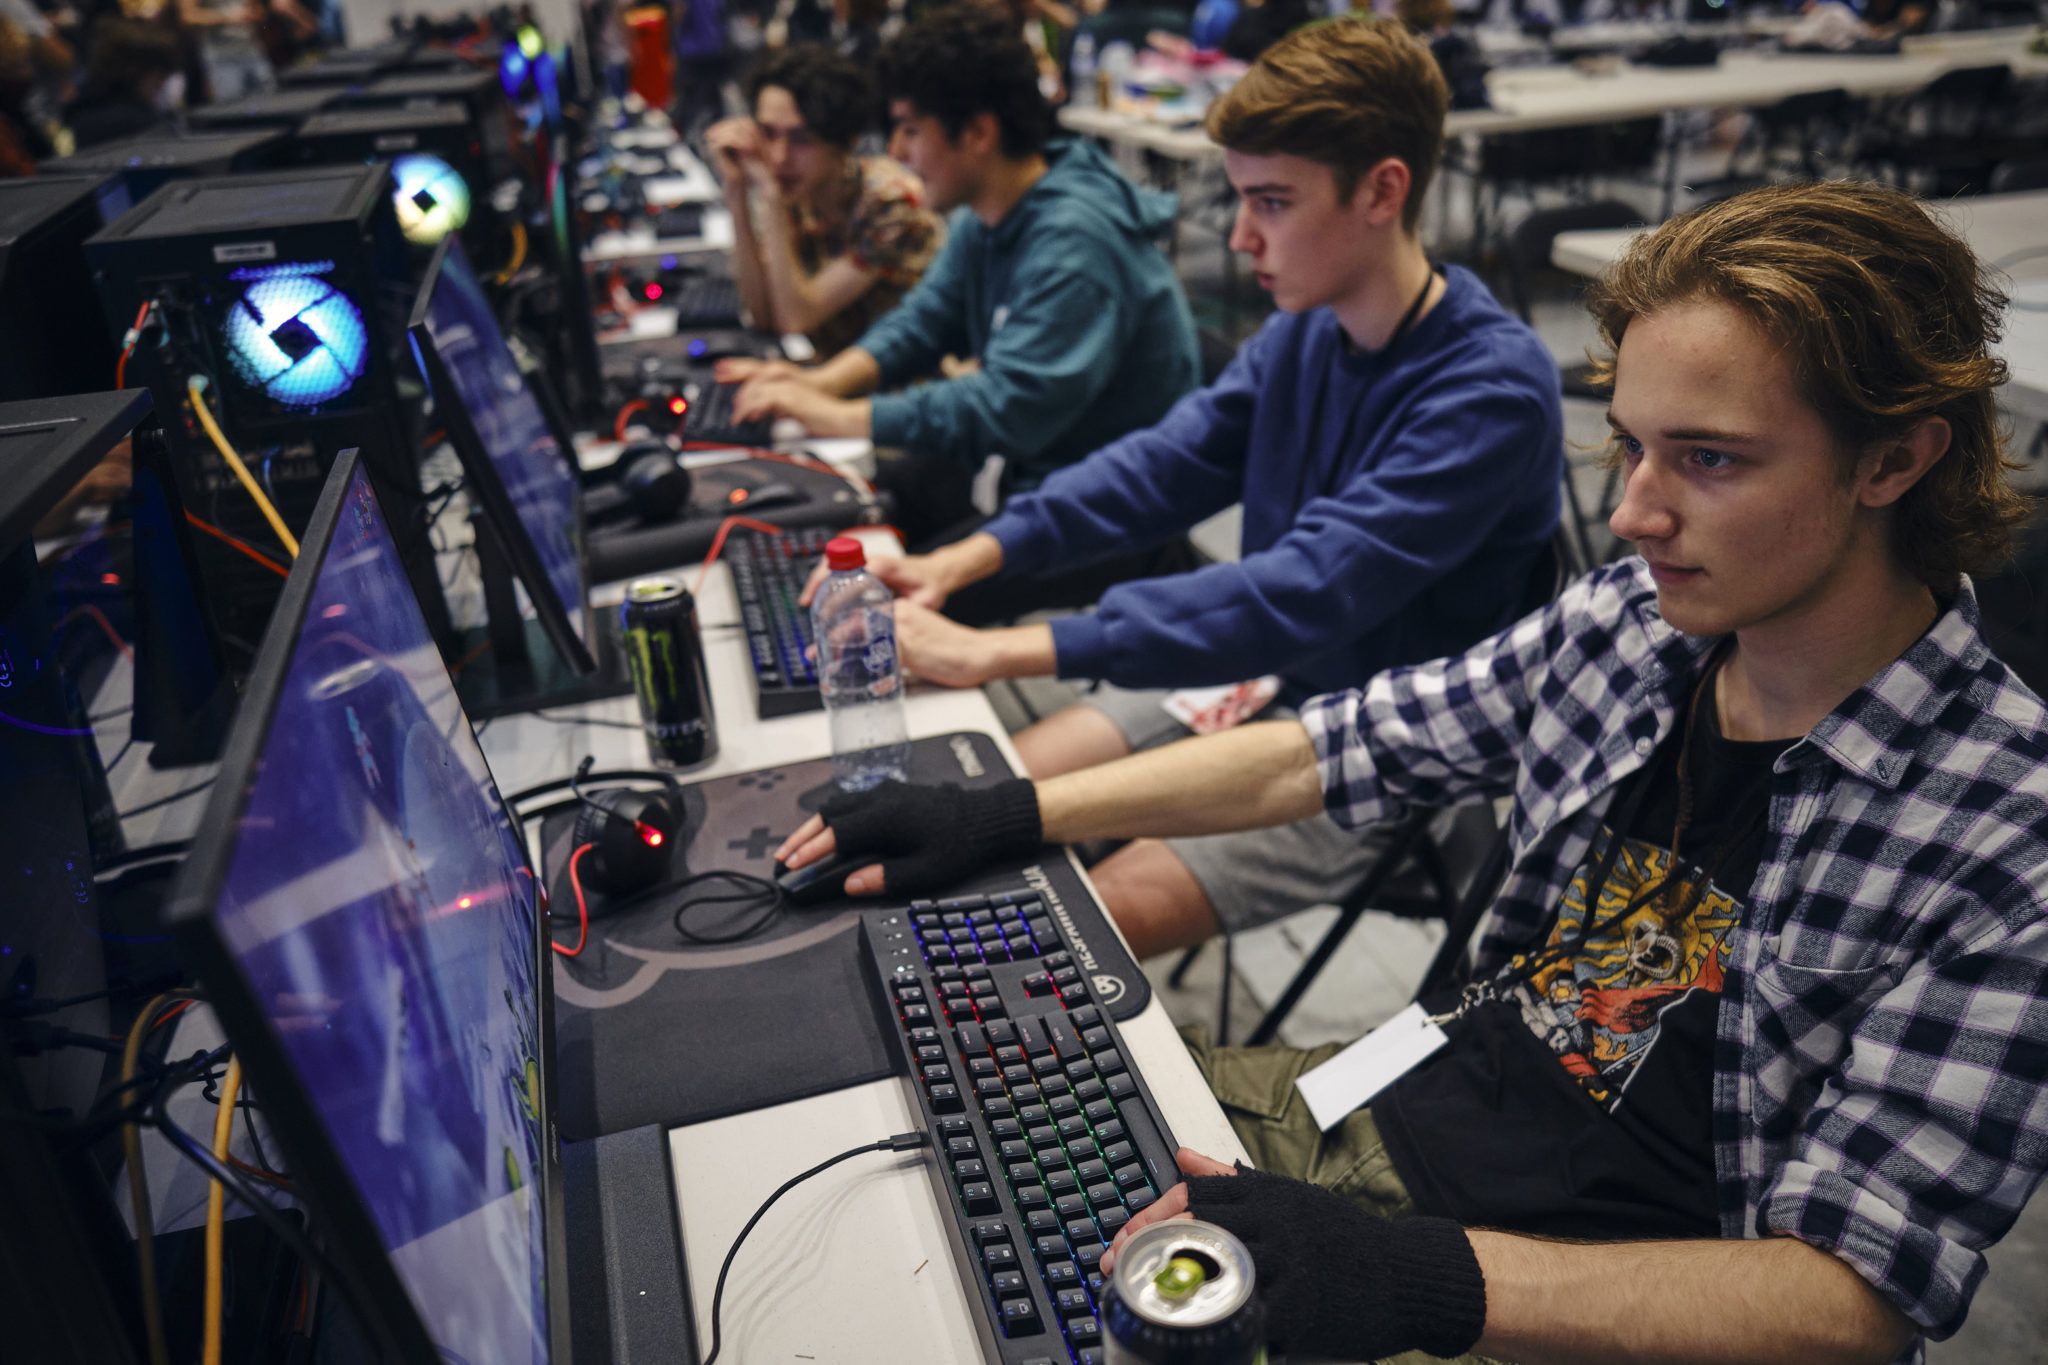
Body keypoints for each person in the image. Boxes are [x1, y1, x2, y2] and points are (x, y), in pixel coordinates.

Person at [773, 180, 2048, 1363]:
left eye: (1707, 459)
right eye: (1629, 447)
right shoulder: (1636, 623)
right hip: (1391, 1105)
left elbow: (1850, 1299)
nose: (1630, 514)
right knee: (941, 1123)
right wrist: (1004, 810)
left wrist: (1411, 1278)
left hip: (1572, 1297)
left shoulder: (2001, 844)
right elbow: (1340, 746)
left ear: (1892, 461)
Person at [831, 17, 1563, 960]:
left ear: (1384, 191)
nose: (1241, 236)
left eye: (1272, 202)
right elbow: (1163, 466)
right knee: (975, 796)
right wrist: (961, 561)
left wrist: (995, 651)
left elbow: (1301, 589)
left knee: (1049, 935)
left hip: (1377, 745)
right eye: (1239, 197)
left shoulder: (1489, 392)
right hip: (1261, 676)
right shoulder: (1309, 326)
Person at [720, 2, 1201, 548]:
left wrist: (835, 415)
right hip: (1035, 472)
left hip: (1108, 514)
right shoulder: (991, 211)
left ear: (977, 132)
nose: (898, 152)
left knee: (879, 571)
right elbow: (924, 323)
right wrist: (814, 384)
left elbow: (1004, 409)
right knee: (826, 514)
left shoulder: (1075, 244)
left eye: (910, 129)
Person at [706, 44, 944, 361]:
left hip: (896, 381)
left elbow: (794, 320)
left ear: (846, 142)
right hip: (829, 372)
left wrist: (772, 199)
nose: (779, 157)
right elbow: (761, 314)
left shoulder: (892, 204)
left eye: (801, 139)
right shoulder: (799, 191)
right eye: (769, 134)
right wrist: (736, 192)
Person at [65, 16, 182, 148]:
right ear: (135, 71)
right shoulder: (143, 123)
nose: (161, 85)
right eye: (159, 76)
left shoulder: (83, 108)